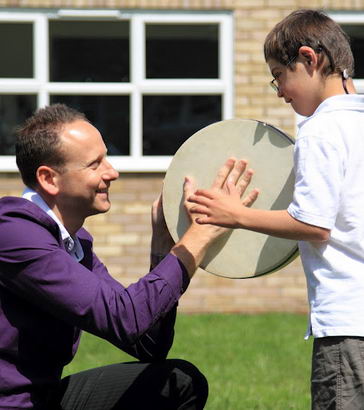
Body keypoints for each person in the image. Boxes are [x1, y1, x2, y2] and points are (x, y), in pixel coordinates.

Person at [0, 103, 258, 410]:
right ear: (49, 179)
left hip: (40, 399)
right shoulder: (13, 234)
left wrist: (163, 248)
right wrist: (200, 235)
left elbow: (147, 345)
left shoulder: (75, 243)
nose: (113, 172)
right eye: (95, 165)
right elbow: (126, 319)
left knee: (176, 383)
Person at [188, 9, 364, 410]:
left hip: (349, 323)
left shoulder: (321, 129)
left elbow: (313, 224)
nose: (281, 92)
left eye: (279, 76)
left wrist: (234, 214)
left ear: (309, 59)